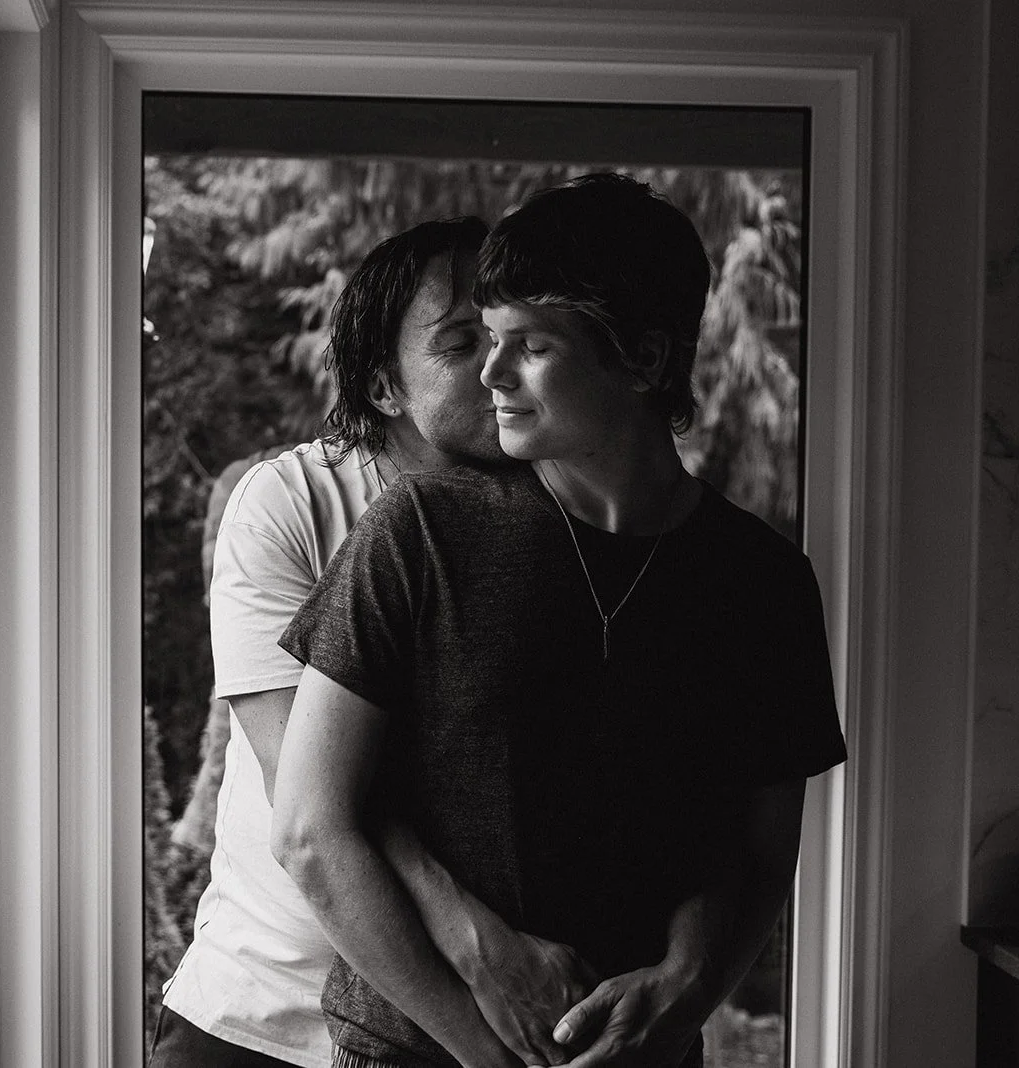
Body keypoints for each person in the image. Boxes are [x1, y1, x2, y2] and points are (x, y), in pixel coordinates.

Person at [272, 174, 848, 1068]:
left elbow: (761, 854)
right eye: (485, 338)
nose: (491, 373)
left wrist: (686, 993)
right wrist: (487, 1053)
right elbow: (311, 834)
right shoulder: (420, 533)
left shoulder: (764, 583)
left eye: (530, 345)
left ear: (645, 358)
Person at [153, 218, 594, 1068]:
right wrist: (468, 936)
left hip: (472, 1025)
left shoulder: (567, 512)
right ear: (386, 385)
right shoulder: (288, 504)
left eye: (512, 335)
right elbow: (308, 801)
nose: (498, 366)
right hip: (267, 1014)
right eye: (461, 341)